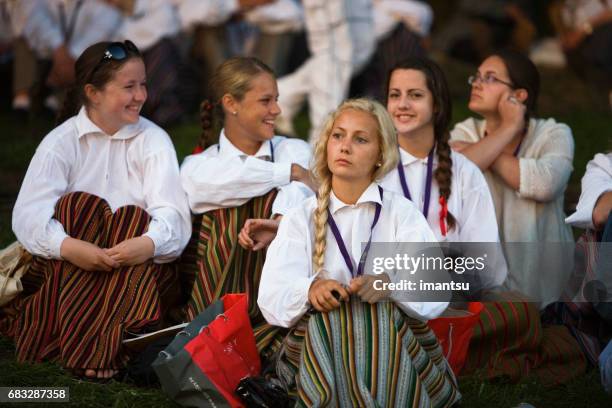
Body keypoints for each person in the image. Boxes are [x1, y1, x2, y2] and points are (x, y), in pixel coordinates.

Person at [0, 40, 191, 379]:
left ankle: (86, 345)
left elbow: (172, 214)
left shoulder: (154, 140)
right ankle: (102, 347)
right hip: (74, 265)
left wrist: (145, 244)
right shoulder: (61, 142)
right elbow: (28, 214)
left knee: (132, 218)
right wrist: (70, 247)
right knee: (79, 207)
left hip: (136, 269)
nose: (142, 95)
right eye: (129, 87)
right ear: (94, 92)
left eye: (143, 84)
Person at [258, 98, 460, 406]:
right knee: (333, 317)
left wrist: (388, 285)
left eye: (360, 139)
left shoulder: (400, 213)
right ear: (327, 144)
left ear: (381, 155)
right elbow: (272, 297)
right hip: (316, 352)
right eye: (338, 136)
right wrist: (311, 288)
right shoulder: (302, 216)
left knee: (374, 313)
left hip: (391, 346)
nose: (345, 146)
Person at [179, 56, 315, 356]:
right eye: (266, 100)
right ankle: (214, 326)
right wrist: (287, 173)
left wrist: (278, 222)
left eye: (277, 99)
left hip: (277, 277)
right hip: (217, 279)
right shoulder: (200, 164)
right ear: (231, 103)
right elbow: (204, 188)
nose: (277, 110)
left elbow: (303, 192)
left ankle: (251, 327)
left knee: (278, 202)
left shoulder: (294, 149)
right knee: (230, 204)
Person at [450, 50, 575, 308]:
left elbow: (544, 184)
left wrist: (485, 150)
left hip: (547, 293)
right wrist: (506, 131)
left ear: (519, 96)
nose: (477, 83)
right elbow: (454, 177)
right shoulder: (465, 130)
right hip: (482, 290)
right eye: (477, 77)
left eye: (490, 78)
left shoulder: (553, 133)